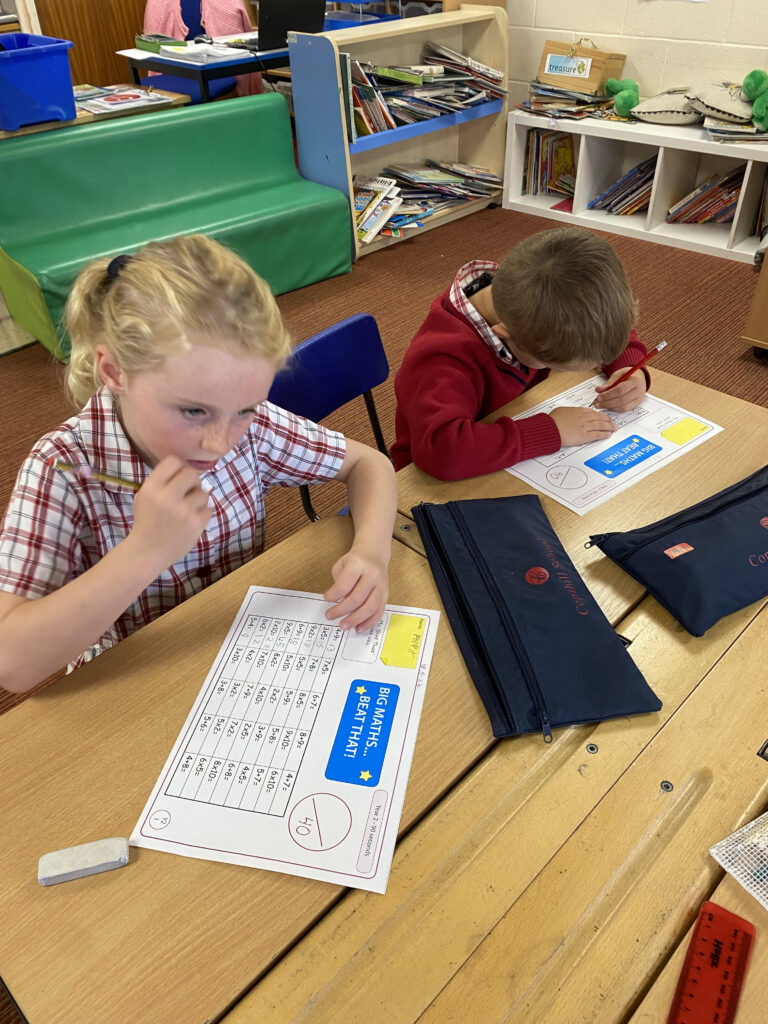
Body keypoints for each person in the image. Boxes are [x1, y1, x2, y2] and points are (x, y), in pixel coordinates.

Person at [0, 234, 396, 694]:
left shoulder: (253, 425)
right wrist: (145, 550)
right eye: (193, 412)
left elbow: (370, 465)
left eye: (245, 409)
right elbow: (12, 663)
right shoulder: (63, 468)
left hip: (236, 647)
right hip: (132, 683)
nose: (219, 443)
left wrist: (372, 554)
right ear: (115, 373)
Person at [390, 227, 649, 481]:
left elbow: (599, 329)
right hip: (439, 483)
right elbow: (444, 453)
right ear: (506, 335)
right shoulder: (441, 359)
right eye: (556, 364)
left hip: (510, 445)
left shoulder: (534, 300)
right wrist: (552, 431)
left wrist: (628, 369)